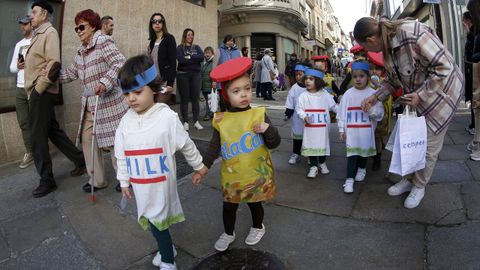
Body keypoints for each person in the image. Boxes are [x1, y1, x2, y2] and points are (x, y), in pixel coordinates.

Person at [356, 17, 464, 208]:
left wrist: (421, 95)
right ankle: (408, 180)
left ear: (370, 40)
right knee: (409, 140)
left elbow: (444, 67)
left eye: (364, 47)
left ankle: (419, 186)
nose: (367, 52)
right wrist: (374, 97)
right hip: (417, 95)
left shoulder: (411, 33)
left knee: (429, 145)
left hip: (442, 94)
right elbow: (393, 81)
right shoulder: (387, 49)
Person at [115, 55, 208, 270]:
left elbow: (186, 144)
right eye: (127, 93)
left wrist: (199, 166)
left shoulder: (166, 117)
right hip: (140, 186)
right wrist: (123, 181)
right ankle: (168, 249)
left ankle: (168, 260)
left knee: (157, 221)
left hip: (160, 184)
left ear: (154, 88)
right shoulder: (125, 121)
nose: (131, 99)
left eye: (137, 92)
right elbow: (121, 154)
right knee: (151, 220)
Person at [201, 57, 280, 252]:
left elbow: (275, 142)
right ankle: (229, 232)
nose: (244, 94)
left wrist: (267, 129)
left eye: (247, 88)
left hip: (255, 174)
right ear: (226, 95)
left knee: (255, 204)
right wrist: (203, 168)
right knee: (229, 207)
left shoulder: (259, 114)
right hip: (232, 176)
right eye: (236, 91)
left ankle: (257, 227)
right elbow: (213, 146)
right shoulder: (221, 120)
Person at [58, 9, 129, 193]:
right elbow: (71, 72)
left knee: (115, 143)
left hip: (109, 103)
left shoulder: (103, 41)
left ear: (93, 26)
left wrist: (104, 82)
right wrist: (50, 76)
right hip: (90, 105)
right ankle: (97, 180)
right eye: (76, 28)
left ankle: (125, 180)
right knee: (87, 139)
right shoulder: (81, 51)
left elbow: (120, 62)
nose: (79, 30)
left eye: (82, 26)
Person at [25, 0, 86, 198]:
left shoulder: (49, 32)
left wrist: (38, 90)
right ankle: (80, 159)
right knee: (53, 131)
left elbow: (55, 63)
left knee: (37, 137)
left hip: (41, 93)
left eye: (34, 12)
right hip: (39, 92)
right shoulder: (39, 34)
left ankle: (47, 180)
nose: (31, 15)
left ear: (44, 14)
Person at [337, 61, 384, 193]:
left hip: (366, 131)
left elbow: (379, 115)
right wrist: (341, 129)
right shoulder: (348, 94)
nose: (358, 79)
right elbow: (342, 113)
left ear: (368, 77)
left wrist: (370, 110)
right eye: (355, 76)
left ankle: (362, 168)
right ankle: (349, 179)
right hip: (351, 132)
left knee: (363, 152)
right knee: (352, 154)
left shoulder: (373, 94)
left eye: (361, 76)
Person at [296, 68, 336, 179]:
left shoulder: (325, 95)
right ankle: (313, 166)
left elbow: (333, 106)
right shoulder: (303, 96)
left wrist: (343, 111)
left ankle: (322, 163)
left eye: (311, 79)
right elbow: (299, 109)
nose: (307, 81)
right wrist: (304, 116)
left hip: (322, 128)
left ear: (318, 81)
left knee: (322, 144)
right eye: (306, 79)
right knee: (311, 144)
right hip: (310, 128)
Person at [9, 15, 34, 169]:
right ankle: (30, 151)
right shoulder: (19, 45)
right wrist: (18, 66)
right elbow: (12, 68)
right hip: (20, 88)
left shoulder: (37, 41)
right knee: (24, 122)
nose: (22, 27)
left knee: (39, 120)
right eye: (21, 25)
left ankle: (39, 149)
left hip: (33, 86)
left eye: (25, 24)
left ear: (32, 24)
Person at [176, 28, 204, 131]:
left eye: (192, 35)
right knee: (184, 99)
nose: (190, 37)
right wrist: (194, 59)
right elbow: (181, 60)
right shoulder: (179, 48)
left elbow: (201, 57)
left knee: (195, 99)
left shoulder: (196, 47)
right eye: (188, 35)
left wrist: (190, 57)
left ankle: (196, 121)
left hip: (195, 75)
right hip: (183, 75)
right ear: (184, 36)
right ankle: (186, 122)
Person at [147, 13, 177, 105]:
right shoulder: (152, 42)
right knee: (155, 108)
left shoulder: (169, 39)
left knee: (159, 106)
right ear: (151, 24)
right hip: (155, 82)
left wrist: (170, 84)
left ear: (163, 24)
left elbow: (173, 62)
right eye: (154, 21)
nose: (157, 23)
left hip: (166, 81)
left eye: (159, 21)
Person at [284, 64, 307, 165]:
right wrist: (288, 114)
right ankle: (296, 154)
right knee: (297, 138)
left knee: (309, 137)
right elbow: (290, 102)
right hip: (297, 118)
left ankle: (311, 155)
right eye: (296, 75)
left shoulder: (310, 87)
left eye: (300, 74)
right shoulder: (294, 88)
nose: (298, 77)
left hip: (308, 118)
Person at [467, 0, 480, 160]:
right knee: (477, 107)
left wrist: (474, 56)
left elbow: (476, 53)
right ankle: (477, 141)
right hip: (476, 72)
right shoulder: (476, 29)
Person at [215, 34, 242, 111]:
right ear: (225, 41)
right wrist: (214, 80)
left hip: (234, 79)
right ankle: (224, 114)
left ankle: (232, 114)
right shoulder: (219, 51)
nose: (230, 42)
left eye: (232, 41)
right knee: (223, 99)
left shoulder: (238, 52)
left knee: (233, 97)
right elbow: (215, 66)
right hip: (222, 79)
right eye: (228, 40)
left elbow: (241, 65)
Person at [200, 46, 216, 121]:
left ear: (212, 53)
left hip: (211, 85)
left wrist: (214, 82)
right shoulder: (203, 62)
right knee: (208, 100)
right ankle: (211, 113)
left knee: (209, 100)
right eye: (205, 53)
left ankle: (208, 114)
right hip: (204, 85)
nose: (207, 54)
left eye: (209, 53)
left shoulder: (213, 62)